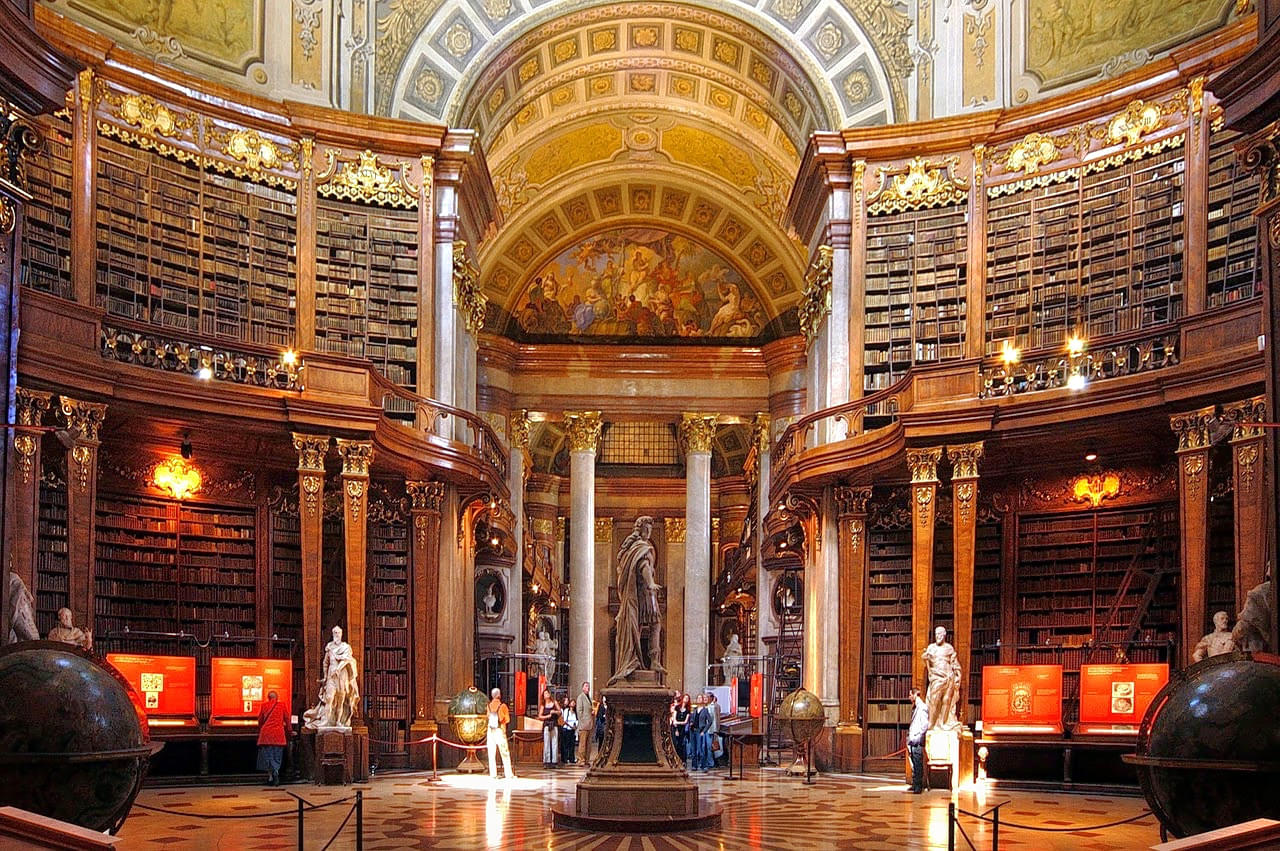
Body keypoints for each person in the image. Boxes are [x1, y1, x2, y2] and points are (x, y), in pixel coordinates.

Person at [304, 626, 360, 730]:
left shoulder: (346, 647)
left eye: (338, 633)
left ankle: (338, 721)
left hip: (342, 678)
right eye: (334, 633)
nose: (336, 635)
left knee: (340, 700)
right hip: (331, 677)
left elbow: (347, 660)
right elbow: (325, 663)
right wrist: (325, 676)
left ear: (341, 634)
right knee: (329, 698)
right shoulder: (329, 647)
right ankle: (325, 721)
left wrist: (338, 669)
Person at [921, 625, 962, 731]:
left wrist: (957, 674)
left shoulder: (949, 648)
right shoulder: (931, 648)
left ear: (944, 635)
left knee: (947, 700)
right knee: (934, 700)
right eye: (936, 634)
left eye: (940, 634)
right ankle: (931, 723)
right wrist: (925, 657)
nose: (938, 636)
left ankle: (943, 723)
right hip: (937, 677)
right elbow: (925, 658)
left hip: (949, 677)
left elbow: (954, 662)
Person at [256, 690, 288, 786]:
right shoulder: (282, 705)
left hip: (266, 735)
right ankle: (276, 772)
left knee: (267, 756)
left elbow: (260, 720)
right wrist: (289, 731)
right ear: (277, 698)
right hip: (278, 735)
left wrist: (262, 728)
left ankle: (270, 777)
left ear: (268, 698)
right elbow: (287, 718)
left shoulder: (264, 706)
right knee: (277, 756)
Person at [486, 687, 516, 780]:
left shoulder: (488, 705)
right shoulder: (503, 706)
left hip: (490, 730)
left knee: (491, 753)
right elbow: (507, 720)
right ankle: (508, 774)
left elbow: (488, 717)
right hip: (499, 730)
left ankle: (493, 774)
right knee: (504, 752)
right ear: (499, 695)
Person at [907, 686, 929, 794]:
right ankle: (915, 783)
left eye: (910, 695)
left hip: (917, 740)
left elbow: (924, 725)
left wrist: (918, 736)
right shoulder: (915, 707)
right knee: (914, 763)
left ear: (915, 695)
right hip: (913, 739)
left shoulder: (922, 707)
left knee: (918, 763)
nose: (909, 697)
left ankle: (918, 786)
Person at [538, 688, 560, 767]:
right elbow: (540, 716)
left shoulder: (554, 703)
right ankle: (546, 761)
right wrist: (548, 716)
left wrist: (555, 712)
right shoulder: (543, 705)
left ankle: (554, 761)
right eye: (545, 694)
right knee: (546, 743)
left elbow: (560, 712)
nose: (546, 695)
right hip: (547, 725)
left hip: (554, 724)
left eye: (547, 693)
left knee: (554, 743)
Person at [575, 682, 594, 764]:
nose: (588, 688)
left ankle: (586, 759)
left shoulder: (589, 698)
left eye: (588, 686)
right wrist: (582, 721)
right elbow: (579, 711)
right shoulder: (580, 697)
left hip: (590, 723)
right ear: (582, 688)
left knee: (588, 744)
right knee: (582, 743)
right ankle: (581, 759)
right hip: (584, 724)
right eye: (586, 686)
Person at [673, 693, 691, 764]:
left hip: (683, 729)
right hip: (676, 728)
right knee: (675, 743)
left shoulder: (687, 710)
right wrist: (677, 725)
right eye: (685, 698)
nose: (686, 699)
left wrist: (678, 722)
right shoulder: (677, 707)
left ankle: (683, 760)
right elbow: (674, 719)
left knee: (682, 744)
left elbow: (685, 722)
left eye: (687, 698)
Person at [707, 693, 722, 768]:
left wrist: (716, 729)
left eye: (708, 697)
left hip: (712, 729)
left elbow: (716, 718)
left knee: (712, 746)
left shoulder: (714, 706)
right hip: (707, 729)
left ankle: (712, 763)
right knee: (708, 746)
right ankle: (711, 762)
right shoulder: (707, 706)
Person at [561, 697, 578, 764]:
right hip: (567, 729)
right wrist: (570, 726)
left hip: (573, 730)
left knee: (572, 745)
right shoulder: (566, 711)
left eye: (574, 703)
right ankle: (565, 758)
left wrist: (575, 726)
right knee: (566, 744)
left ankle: (572, 758)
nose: (573, 704)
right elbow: (564, 720)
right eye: (572, 702)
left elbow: (576, 720)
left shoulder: (575, 712)